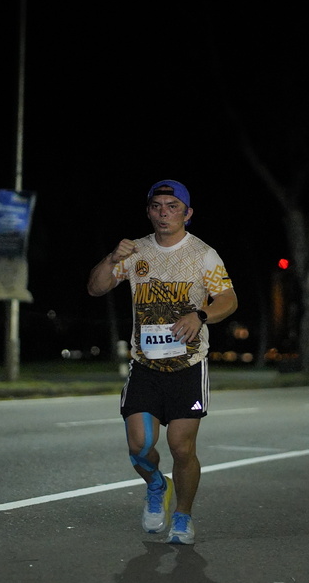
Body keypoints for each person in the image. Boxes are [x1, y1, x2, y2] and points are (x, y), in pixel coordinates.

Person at [87, 179, 238, 545]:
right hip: (145, 366)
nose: (163, 213)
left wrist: (200, 315)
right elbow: (96, 287)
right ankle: (156, 485)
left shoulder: (203, 254)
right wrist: (112, 258)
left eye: (172, 207)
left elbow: (228, 299)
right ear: (148, 212)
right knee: (139, 446)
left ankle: (183, 517)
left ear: (187, 213)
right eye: (157, 207)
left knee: (181, 447)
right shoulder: (135, 251)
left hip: (188, 366)